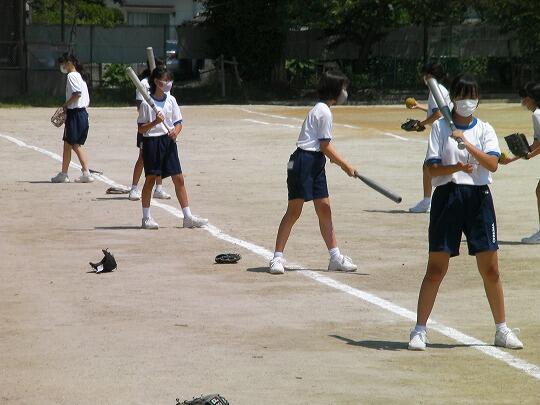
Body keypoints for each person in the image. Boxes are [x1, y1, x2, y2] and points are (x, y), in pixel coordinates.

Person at [408, 74, 523, 351]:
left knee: (491, 269)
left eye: (472, 96)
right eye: (462, 96)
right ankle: (419, 330)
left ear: (478, 99)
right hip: (447, 198)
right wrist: (457, 168)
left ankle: (501, 329)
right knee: (436, 269)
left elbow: (492, 164)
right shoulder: (439, 128)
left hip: (479, 200)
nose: (467, 101)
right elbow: (432, 169)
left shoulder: (484, 129)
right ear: (454, 99)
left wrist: (467, 144)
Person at [269, 71, 358, 275]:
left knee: (325, 209)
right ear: (335, 90)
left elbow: (323, 148)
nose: (345, 92)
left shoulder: (324, 110)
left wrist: (335, 161)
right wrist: (345, 165)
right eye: (343, 88)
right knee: (294, 211)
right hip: (302, 162)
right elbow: (325, 146)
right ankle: (277, 258)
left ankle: (335, 257)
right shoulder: (324, 111)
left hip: (315, 162)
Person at [137, 66, 207, 230]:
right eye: (165, 80)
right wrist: (155, 122)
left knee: (179, 178)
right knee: (150, 179)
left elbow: (178, 122)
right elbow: (141, 129)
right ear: (156, 82)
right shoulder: (147, 104)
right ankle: (146, 218)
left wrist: (176, 131)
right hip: (152, 142)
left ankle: (187, 217)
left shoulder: (171, 100)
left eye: (170, 80)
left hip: (168, 142)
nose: (168, 83)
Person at [407, 63, 453, 213]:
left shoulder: (435, 90)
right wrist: (419, 106)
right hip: (448, 132)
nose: (423, 78)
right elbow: (438, 110)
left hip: (442, 133)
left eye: (424, 75)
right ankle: (433, 201)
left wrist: (420, 124)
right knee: (435, 167)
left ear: (429, 76)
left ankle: (427, 202)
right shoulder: (441, 89)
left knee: (428, 166)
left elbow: (438, 114)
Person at [500, 81, 540, 244]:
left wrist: (529, 155)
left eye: (525, 98)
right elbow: (536, 144)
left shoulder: (537, 114)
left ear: (532, 98)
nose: (523, 102)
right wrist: (512, 159)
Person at [128, 58, 172, 201]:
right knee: (142, 157)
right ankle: (134, 188)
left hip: (162, 128)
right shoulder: (144, 83)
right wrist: (152, 117)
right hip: (148, 128)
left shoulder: (164, 83)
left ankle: (159, 188)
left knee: (160, 159)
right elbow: (140, 105)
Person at [51, 53, 93, 183]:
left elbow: (77, 94)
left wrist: (65, 105)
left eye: (63, 63)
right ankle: (64, 174)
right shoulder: (80, 75)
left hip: (76, 114)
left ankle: (86, 172)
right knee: (67, 145)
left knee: (74, 144)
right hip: (81, 114)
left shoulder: (72, 76)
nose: (62, 67)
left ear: (69, 63)